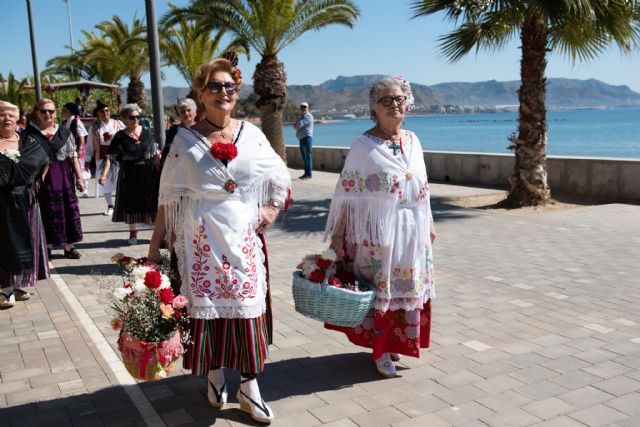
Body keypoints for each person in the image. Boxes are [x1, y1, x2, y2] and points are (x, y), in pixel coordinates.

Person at [147, 55, 290, 424]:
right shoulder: (184, 140)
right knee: (205, 308)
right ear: (200, 92)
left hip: (243, 238)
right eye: (215, 86)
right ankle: (213, 373)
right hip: (200, 242)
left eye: (229, 86)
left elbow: (279, 174)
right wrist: (153, 248)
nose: (223, 92)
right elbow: (169, 197)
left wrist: (271, 209)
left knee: (247, 311)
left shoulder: (253, 135)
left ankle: (249, 386)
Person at [324, 76, 436, 378]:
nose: (394, 105)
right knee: (381, 289)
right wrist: (338, 236)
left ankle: (398, 341)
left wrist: (429, 224)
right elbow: (347, 194)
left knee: (408, 286)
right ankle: (381, 349)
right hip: (380, 233)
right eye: (386, 101)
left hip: (412, 229)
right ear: (374, 108)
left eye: (399, 99)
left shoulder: (413, 139)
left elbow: (423, 187)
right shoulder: (364, 145)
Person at [0, 101, 50, 308]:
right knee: (4, 243)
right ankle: (3, 290)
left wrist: (36, 183)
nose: (7, 118)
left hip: (25, 201)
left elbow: (44, 159)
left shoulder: (26, 141)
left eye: (11, 114)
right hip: (1, 203)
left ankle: (16, 285)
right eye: (2, 114)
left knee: (23, 242)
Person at [25, 98, 85, 260]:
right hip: (41, 179)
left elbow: (73, 157)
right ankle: (48, 247)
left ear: (55, 113)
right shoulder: (29, 134)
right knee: (46, 211)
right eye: (43, 111)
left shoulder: (64, 132)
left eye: (51, 111)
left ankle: (69, 247)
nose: (47, 114)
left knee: (67, 210)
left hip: (63, 175)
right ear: (37, 113)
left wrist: (80, 178)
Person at [99, 104, 160, 245]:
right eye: (132, 117)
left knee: (153, 203)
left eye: (138, 117)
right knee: (131, 203)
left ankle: (157, 235)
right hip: (131, 174)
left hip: (149, 173)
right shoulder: (120, 137)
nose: (136, 120)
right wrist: (103, 174)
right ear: (125, 119)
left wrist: (161, 167)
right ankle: (133, 232)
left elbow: (155, 152)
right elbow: (111, 156)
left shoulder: (147, 132)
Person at [87, 100, 123, 215]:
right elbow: (89, 144)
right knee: (105, 182)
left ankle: (121, 205)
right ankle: (110, 206)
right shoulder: (94, 127)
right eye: (102, 111)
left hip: (117, 157)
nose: (106, 113)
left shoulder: (118, 123)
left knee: (120, 181)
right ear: (98, 113)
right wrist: (87, 160)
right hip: (102, 158)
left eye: (107, 110)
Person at [160, 97, 198, 170]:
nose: (186, 113)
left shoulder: (202, 130)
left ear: (195, 112)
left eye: (188, 110)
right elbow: (167, 152)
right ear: (179, 114)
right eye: (182, 111)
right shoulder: (173, 131)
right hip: (177, 170)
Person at [62, 103, 90, 198]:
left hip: (78, 151)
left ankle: (85, 190)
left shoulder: (76, 121)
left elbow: (82, 137)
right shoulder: (66, 122)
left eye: (64, 110)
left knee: (81, 169)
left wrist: (80, 150)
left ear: (68, 111)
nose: (62, 112)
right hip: (68, 150)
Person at [293, 101, 314, 179]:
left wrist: (297, 124)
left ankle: (309, 174)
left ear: (307, 108)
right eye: (302, 107)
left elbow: (298, 125)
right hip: (301, 139)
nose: (303, 108)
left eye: (305, 107)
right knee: (304, 157)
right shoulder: (300, 117)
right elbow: (295, 127)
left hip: (307, 138)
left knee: (307, 156)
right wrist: (297, 124)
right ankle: (306, 173)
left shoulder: (309, 116)